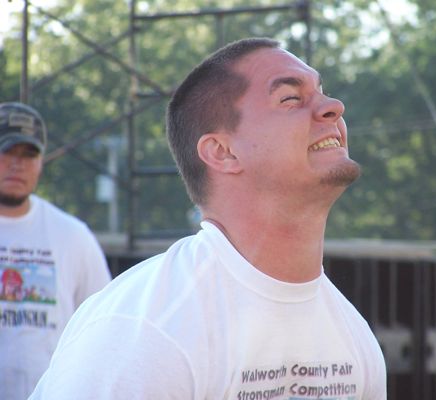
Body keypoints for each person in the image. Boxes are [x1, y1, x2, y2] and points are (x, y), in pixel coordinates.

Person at [29, 37, 387, 399]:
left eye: (322, 92)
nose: (334, 107)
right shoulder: (145, 332)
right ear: (222, 152)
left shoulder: (353, 339)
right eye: (291, 98)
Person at [0, 102, 111, 399]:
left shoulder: (73, 236)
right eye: (7, 150)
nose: (17, 164)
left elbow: (102, 328)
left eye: (29, 154)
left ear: (40, 162)